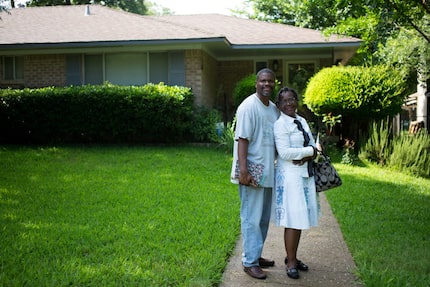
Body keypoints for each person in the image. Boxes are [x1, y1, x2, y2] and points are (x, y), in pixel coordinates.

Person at [230, 68, 280, 280]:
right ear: (256, 83)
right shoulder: (249, 107)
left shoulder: (273, 109)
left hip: (268, 170)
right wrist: (243, 172)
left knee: (262, 219)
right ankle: (249, 262)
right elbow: (243, 140)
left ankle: (255, 254)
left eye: (270, 81)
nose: (266, 84)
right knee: (251, 218)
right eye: (263, 81)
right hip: (251, 172)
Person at [272, 87, 320, 279]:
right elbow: (284, 153)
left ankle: (292, 256)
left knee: (300, 219)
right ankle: (290, 262)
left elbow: (314, 146)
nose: (289, 103)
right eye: (284, 101)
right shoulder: (280, 125)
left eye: (292, 99)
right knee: (292, 220)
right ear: (279, 105)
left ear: (296, 101)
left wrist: (310, 153)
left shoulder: (301, 121)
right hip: (291, 177)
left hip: (305, 175)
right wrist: (309, 152)